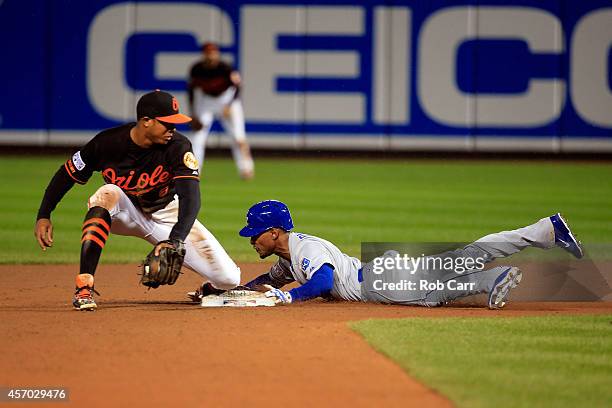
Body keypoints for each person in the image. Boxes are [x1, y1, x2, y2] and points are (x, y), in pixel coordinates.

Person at [34, 90, 241, 311]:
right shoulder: (107, 143)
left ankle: (207, 289)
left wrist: (175, 240)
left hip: (165, 213)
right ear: (146, 121)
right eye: (167, 124)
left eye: (175, 124)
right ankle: (84, 286)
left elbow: (191, 197)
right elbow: (66, 174)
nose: (172, 130)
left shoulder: (178, 146)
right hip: (125, 212)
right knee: (108, 193)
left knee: (229, 279)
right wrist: (44, 214)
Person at [236, 200, 584, 308]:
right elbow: (265, 280)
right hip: (382, 272)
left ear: (274, 232)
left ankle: (535, 237)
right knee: (459, 262)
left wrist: (286, 298)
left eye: (254, 235)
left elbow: (323, 280)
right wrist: (227, 293)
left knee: (438, 289)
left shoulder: (305, 248)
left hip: (378, 281)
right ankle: (501, 269)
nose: (252, 241)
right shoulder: (288, 256)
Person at [187, 42, 254, 180]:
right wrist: (193, 113)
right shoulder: (196, 69)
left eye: (213, 52)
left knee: (238, 137)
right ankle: (194, 170)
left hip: (227, 99)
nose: (211, 55)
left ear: (217, 54)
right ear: (204, 54)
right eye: (208, 53)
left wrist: (229, 106)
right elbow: (191, 91)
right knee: (197, 137)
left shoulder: (225, 68)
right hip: (206, 101)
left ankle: (246, 169)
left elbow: (238, 86)